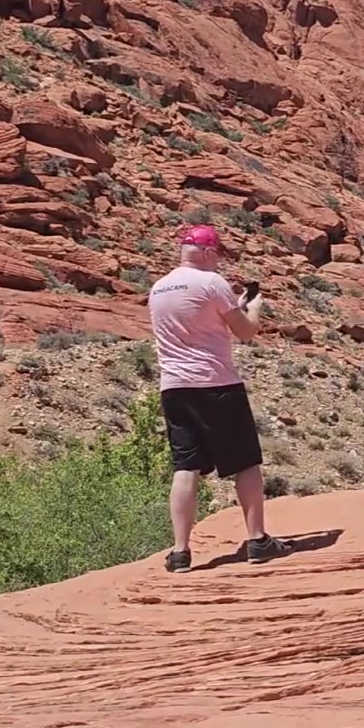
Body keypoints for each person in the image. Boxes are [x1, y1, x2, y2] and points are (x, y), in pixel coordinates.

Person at [148, 223, 292, 571]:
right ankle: (258, 541)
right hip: (216, 384)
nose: (219, 263)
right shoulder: (213, 283)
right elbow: (246, 332)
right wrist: (253, 307)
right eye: (218, 255)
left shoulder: (158, 288)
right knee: (245, 462)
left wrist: (233, 306)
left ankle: (180, 551)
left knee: (186, 466)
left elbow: (197, 320)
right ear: (208, 252)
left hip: (175, 387)